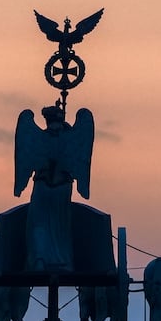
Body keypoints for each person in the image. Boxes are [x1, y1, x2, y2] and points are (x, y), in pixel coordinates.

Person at [13, 104, 95, 272]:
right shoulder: (70, 138)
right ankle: (62, 261)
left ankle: (39, 259)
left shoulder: (37, 137)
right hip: (63, 187)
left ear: (47, 119)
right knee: (60, 226)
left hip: (42, 186)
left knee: (38, 223)